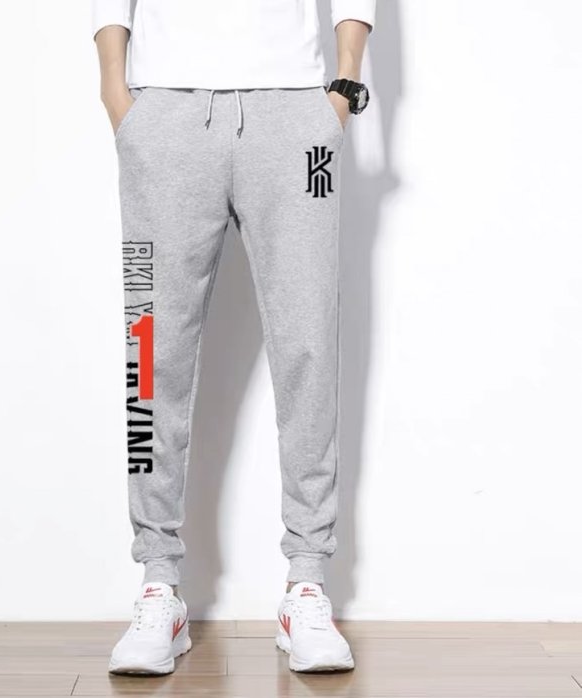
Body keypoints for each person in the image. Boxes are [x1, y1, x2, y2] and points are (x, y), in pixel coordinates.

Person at [92, 0, 375, 675]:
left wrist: (341, 90)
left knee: (309, 344)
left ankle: (307, 583)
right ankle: (158, 583)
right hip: (165, 113)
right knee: (151, 349)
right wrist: (115, 92)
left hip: (297, 119)